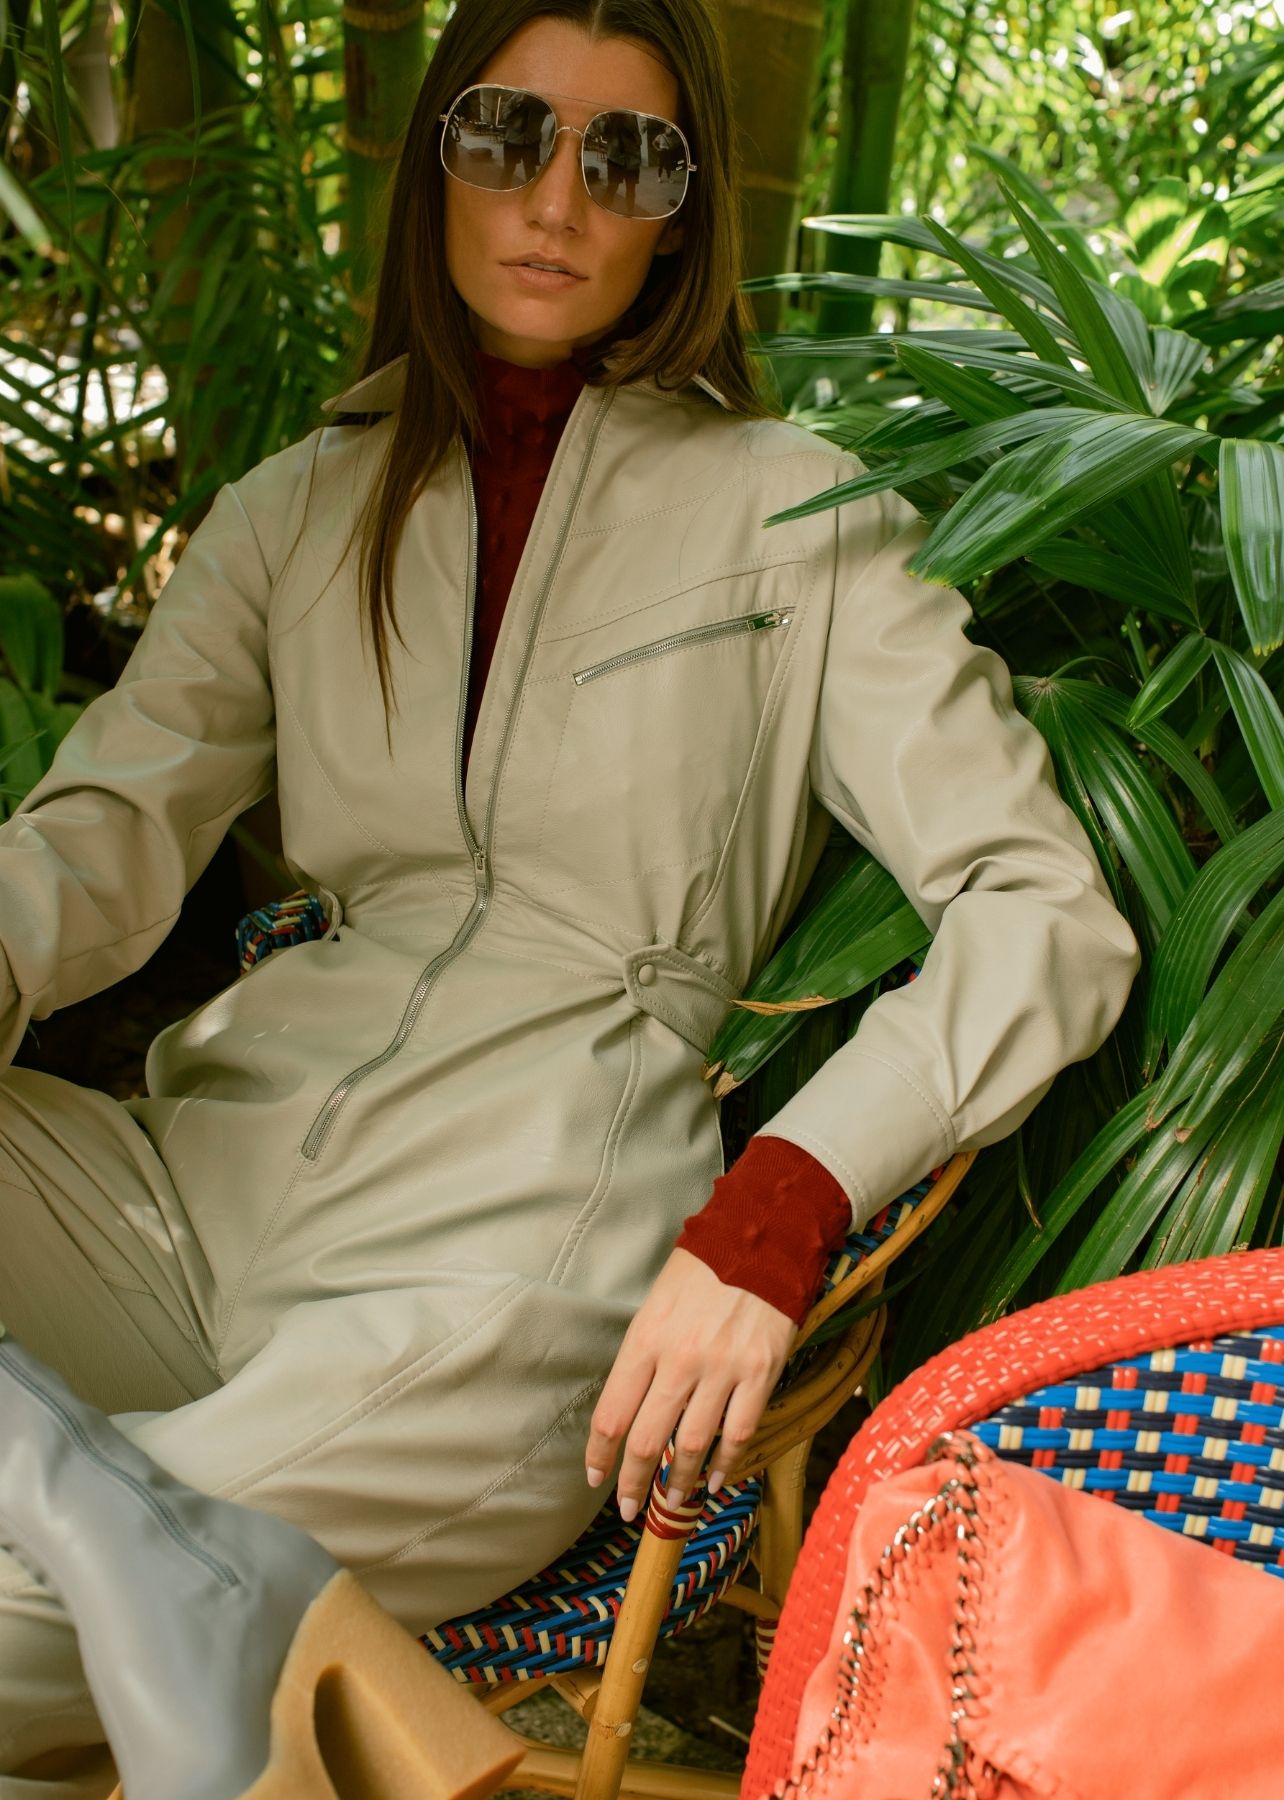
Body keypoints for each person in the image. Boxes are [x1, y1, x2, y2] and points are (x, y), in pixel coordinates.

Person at [0, 0, 1140, 1788]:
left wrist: (778, 1210)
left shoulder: (797, 518)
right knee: (118, 1559)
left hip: (507, 1252)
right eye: (506, 136)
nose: (559, 199)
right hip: (185, 1187)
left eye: (627, 157)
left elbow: (1040, 906)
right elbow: (96, 839)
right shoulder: (292, 512)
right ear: (432, 159)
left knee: (129, 1581)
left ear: (681, 212)